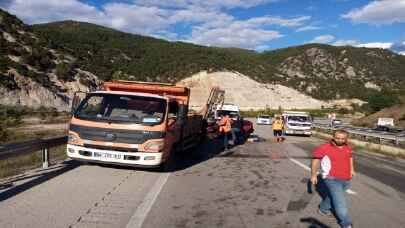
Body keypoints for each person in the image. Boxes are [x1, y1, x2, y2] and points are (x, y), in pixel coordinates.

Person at [310, 130, 355, 228]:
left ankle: (323, 209)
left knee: (334, 196)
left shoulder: (348, 147)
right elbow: (315, 161)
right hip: (331, 178)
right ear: (333, 137)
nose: (340, 140)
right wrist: (313, 175)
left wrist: (352, 170)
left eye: (343, 138)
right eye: (338, 138)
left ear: (346, 138)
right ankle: (346, 223)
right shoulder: (324, 148)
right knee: (340, 202)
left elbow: (350, 157)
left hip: (346, 178)